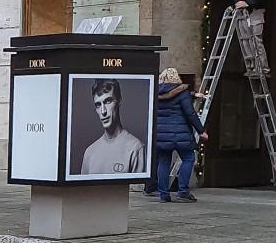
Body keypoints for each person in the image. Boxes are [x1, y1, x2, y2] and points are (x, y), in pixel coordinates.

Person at [154, 67, 207, 202]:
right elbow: (190, 114)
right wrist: (201, 131)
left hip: (161, 135)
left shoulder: (155, 92)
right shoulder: (182, 92)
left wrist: (193, 94)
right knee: (188, 158)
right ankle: (183, 192)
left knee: (164, 162)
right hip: (180, 134)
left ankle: (164, 195)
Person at [76, 78, 146, 175]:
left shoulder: (136, 148)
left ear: (119, 101)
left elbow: (136, 190)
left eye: (108, 101)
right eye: (98, 105)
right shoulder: (89, 152)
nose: (103, 111)